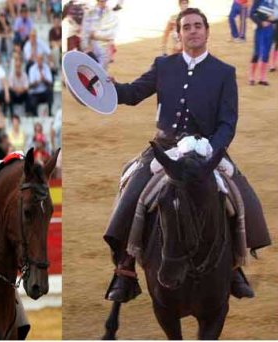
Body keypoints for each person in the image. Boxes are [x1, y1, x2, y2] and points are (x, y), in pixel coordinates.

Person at [103, 7, 270, 303]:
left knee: (242, 198)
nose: (192, 31)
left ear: (206, 31)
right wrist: (108, 87)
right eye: (186, 27)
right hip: (166, 149)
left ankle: (233, 267)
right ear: (178, 34)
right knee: (132, 194)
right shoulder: (163, 65)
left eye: (197, 26)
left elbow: (227, 122)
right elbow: (133, 93)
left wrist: (212, 148)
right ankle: (124, 269)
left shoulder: (224, 72)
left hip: (207, 151)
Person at [248, 0, 276, 85]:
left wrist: (273, 20)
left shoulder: (274, 1)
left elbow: (275, 16)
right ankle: (252, 77)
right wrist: (261, 23)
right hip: (260, 29)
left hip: (270, 29)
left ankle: (262, 78)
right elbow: (251, 14)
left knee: (266, 53)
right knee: (257, 52)